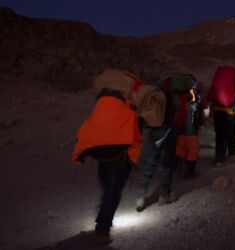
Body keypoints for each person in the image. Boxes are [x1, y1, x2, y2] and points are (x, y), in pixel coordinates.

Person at [72, 69, 143, 245]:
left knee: (108, 190)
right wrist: (132, 159)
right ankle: (102, 229)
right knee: (114, 192)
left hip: (101, 156)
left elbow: (87, 129)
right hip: (120, 157)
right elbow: (135, 137)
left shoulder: (103, 107)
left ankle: (103, 217)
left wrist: (80, 153)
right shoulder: (128, 109)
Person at [133, 73, 193, 212]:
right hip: (168, 129)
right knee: (168, 163)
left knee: (150, 162)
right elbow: (177, 107)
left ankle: (140, 196)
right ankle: (164, 195)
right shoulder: (172, 94)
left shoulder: (154, 92)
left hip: (154, 131)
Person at [208, 66, 235, 166]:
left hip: (216, 110)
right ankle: (222, 158)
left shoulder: (217, 79)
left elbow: (211, 91)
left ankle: (218, 156)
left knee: (219, 134)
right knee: (227, 134)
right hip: (228, 111)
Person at [175, 83, 202, 180]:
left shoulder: (179, 97)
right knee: (192, 150)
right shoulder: (192, 98)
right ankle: (189, 173)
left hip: (180, 128)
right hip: (190, 128)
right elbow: (195, 108)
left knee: (180, 148)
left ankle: (177, 170)